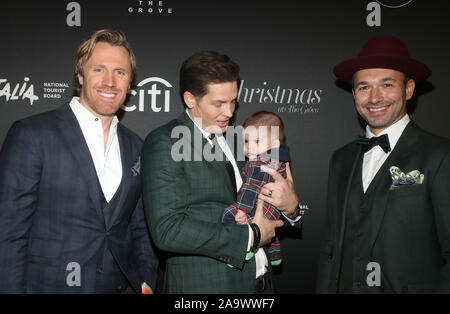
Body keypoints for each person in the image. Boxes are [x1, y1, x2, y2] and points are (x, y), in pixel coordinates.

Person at [0, 29, 158, 293]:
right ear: (80, 76)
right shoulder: (32, 134)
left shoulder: (137, 146)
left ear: (129, 83)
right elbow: (8, 232)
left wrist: (145, 282)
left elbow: (141, 228)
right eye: (99, 70)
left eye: (120, 72)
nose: (110, 82)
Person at [142, 51, 302, 293]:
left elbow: (268, 202)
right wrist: (252, 235)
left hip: (261, 284)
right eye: (218, 103)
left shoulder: (239, 140)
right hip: (208, 286)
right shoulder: (165, 141)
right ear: (190, 99)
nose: (229, 112)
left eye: (233, 101)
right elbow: (167, 230)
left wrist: (291, 207)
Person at [316, 36, 450, 293]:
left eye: (387, 84)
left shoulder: (440, 155)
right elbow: (329, 250)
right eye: (363, 87)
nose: (374, 97)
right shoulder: (341, 159)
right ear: (354, 93)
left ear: (408, 89)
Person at [221, 110, 292, 267]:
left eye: (257, 141)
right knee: (267, 226)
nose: (249, 147)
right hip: (273, 210)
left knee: (228, 215)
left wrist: (242, 210)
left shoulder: (258, 163)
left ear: (274, 145)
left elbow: (251, 188)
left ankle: (240, 252)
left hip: (259, 207)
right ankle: (275, 254)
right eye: (246, 141)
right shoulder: (277, 159)